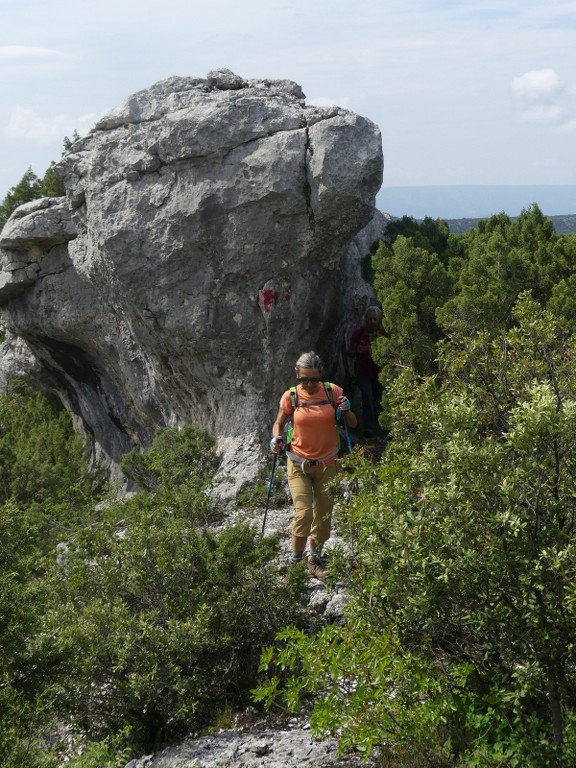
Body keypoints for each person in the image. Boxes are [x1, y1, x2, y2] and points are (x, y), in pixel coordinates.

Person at [270, 351, 357, 578]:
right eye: (303, 379)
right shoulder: (290, 397)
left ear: (321, 376)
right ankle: (297, 561)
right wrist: (276, 438)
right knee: (304, 513)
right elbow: (279, 423)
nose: (309, 384)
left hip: (328, 464)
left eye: (313, 379)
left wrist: (346, 409)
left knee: (324, 515)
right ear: (297, 375)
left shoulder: (332, 392)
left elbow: (353, 423)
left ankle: (315, 558)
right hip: (298, 463)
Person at [348, 306, 385, 437]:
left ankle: (379, 426)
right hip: (363, 371)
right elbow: (350, 352)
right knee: (367, 396)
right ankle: (368, 428)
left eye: (374, 319)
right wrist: (358, 350)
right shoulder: (359, 333)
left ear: (379, 319)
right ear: (366, 319)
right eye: (370, 319)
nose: (372, 321)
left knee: (376, 398)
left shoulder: (383, 333)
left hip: (379, 372)